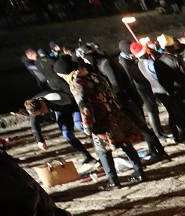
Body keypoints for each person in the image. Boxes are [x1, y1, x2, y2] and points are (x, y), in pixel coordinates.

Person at [56, 56, 147, 189]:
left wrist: (87, 126)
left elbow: (84, 106)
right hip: (117, 114)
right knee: (126, 143)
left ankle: (113, 180)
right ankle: (140, 172)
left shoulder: (77, 83)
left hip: (101, 121)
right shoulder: (95, 75)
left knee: (102, 151)